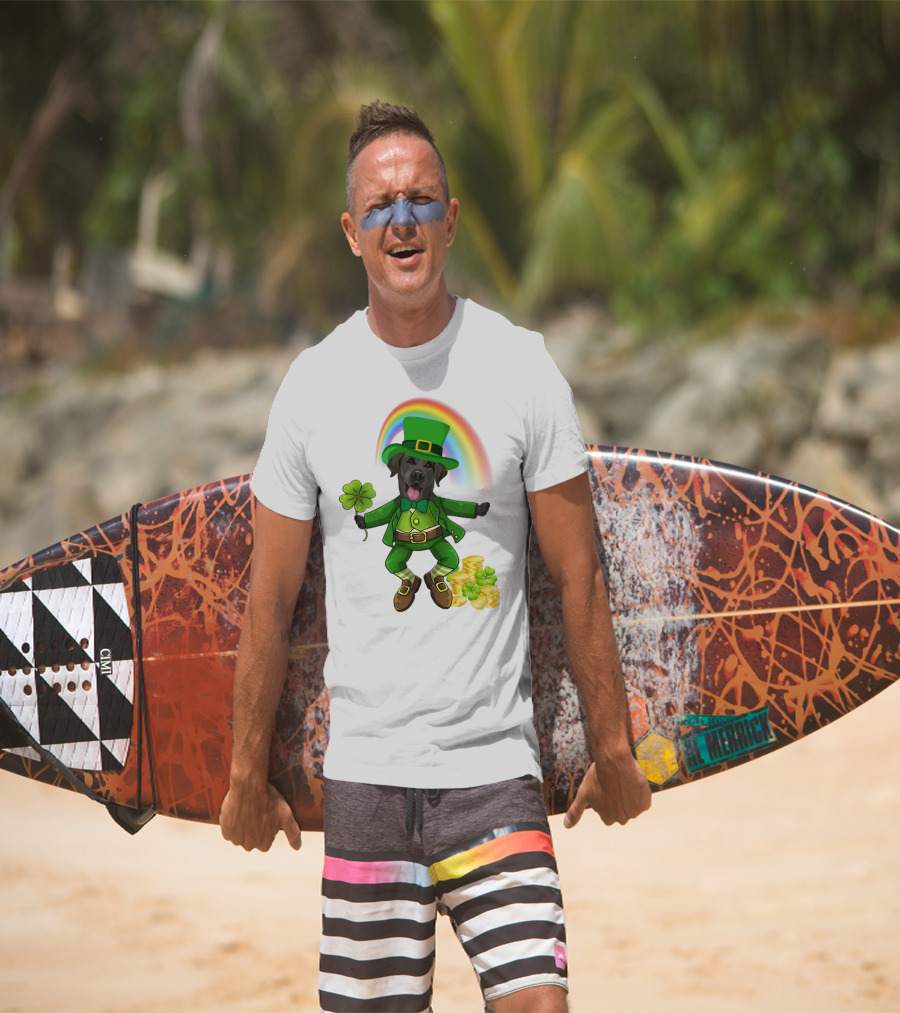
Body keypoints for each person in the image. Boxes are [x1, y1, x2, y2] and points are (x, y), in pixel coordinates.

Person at [220, 100, 651, 1013]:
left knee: (540, 1003)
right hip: (368, 779)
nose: (402, 220)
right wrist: (242, 772)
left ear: (451, 219)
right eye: (380, 206)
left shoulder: (522, 368)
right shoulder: (313, 387)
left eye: (421, 200)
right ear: (351, 232)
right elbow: (269, 600)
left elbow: (580, 574)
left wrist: (612, 746)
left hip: (495, 772)